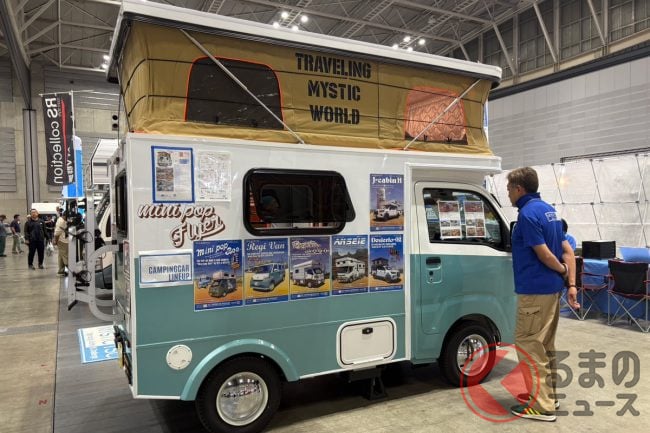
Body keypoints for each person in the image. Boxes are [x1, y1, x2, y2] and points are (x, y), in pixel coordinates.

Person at [506, 167, 579, 422]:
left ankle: (541, 406)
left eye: (509, 189)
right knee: (545, 344)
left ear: (519, 189)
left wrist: (562, 270)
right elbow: (566, 249)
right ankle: (549, 396)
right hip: (551, 290)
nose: (508, 193)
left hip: (535, 290)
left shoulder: (527, 215)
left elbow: (544, 254)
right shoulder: (549, 211)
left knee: (528, 343)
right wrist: (570, 283)